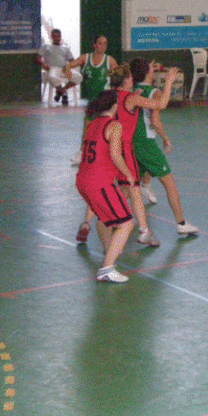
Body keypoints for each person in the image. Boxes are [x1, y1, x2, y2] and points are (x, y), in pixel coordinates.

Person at [76, 63, 179, 247]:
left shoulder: (108, 96)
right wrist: (169, 82)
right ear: (125, 81)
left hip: (103, 148)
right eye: (130, 77)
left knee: (103, 187)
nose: (133, 79)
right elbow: (161, 104)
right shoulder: (130, 98)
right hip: (122, 149)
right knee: (134, 189)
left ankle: (86, 223)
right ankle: (144, 232)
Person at [129, 57, 199, 235]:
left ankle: (111, 219)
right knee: (169, 183)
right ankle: (181, 224)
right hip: (145, 143)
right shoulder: (153, 92)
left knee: (126, 187)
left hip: (130, 142)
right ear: (147, 72)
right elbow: (155, 118)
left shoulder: (131, 90)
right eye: (151, 68)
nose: (154, 70)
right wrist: (168, 83)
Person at [75, 90, 135, 283]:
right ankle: (107, 268)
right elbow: (116, 156)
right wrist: (128, 173)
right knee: (127, 223)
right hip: (98, 182)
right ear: (114, 106)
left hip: (82, 181)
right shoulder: (114, 125)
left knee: (104, 219)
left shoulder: (92, 123)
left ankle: (110, 255)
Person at [69, 35, 118, 165]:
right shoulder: (86, 58)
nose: (103, 46)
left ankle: (112, 155)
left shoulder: (110, 60)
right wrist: (69, 72)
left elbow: (119, 76)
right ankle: (82, 152)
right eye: (100, 43)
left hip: (106, 99)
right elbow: (70, 65)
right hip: (92, 100)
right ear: (94, 45)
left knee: (108, 127)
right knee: (88, 125)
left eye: (105, 43)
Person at [37, 29, 83, 106]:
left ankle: (61, 91)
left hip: (65, 69)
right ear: (51, 37)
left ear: (60, 36)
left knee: (79, 77)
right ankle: (64, 94)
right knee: (52, 77)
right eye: (54, 36)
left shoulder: (65, 48)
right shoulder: (46, 46)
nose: (56, 38)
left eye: (58, 36)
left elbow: (72, 61)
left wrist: (68, 66)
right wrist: (43, 64)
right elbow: (38, 58)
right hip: (52, 69)